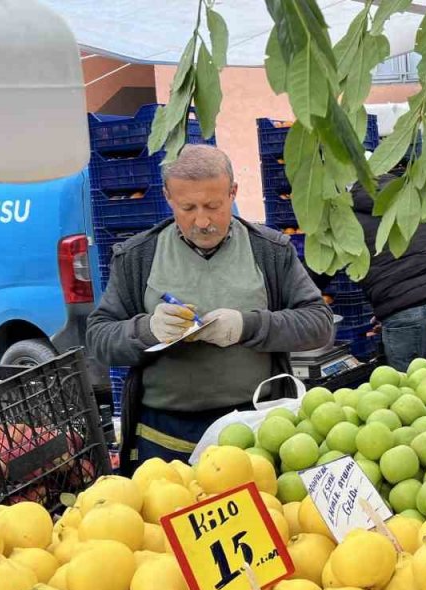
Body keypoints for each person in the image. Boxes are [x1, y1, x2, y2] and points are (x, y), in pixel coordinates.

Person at [87, 145, 334, 467]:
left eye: (213, 206)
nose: (202, 221)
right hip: (164, 439)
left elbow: (318, 323)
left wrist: (247, 327)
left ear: (233, 192)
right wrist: (147, 330)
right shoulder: (138, 257)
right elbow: (99, 338)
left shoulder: (270, 251)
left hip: (254, 429)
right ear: (167, 197)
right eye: (187, 207)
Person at [347, 168, 426, 370]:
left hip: (402, 312)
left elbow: (321, 271)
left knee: (411, 390)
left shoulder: (348, 220)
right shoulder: (412, 203)